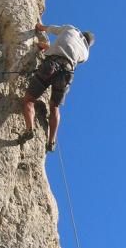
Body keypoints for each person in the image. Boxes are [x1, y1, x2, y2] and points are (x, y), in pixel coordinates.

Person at [21, 23, 95, 152]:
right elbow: (68, 53)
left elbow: (52, 30)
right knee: (54, 107)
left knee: (29, 100)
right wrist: (47, 48)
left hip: (51, 65)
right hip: (67, 74)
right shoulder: (85, 54)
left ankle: (29, 129)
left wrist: (40, 27)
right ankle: (51, 141)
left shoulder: (71, 29)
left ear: (82, 33)